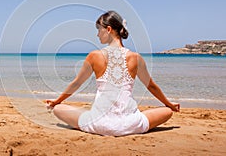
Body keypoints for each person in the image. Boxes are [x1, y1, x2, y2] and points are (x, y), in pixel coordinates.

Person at [46, 11, 180, 136]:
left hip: (98, 124)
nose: (97, 34)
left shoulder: (94, 56)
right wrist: (169, 104)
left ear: (108, 29)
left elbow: (76, 83)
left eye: (99, 29)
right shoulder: (136, 58)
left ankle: (83, 121)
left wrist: (56, 101)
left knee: (58, 109)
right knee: (167, 111)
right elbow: (151, 86)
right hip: (130, 124)